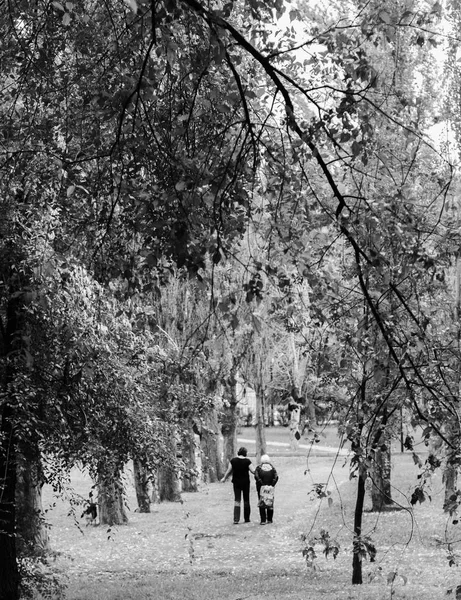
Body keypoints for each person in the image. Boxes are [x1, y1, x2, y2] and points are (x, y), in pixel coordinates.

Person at [220, 447, 255, 524]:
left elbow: (229, 471)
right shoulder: (247, 461)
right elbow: (253, 471)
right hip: (245, 483)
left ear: (238, 452)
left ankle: (236, 519)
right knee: (246, 500)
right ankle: (247, 518)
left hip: (236, 483)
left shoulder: (233, 461)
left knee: (237, 500)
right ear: (245, 453)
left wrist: (224, 478)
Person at [254, 454, 279, 525]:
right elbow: (276, 477)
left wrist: (261, 484)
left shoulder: (258, 468)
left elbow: (256, 476)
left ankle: (263, 520)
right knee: (270, 501)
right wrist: (272, 485)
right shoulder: (272, 468)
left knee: (262, 502)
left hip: (261, 488)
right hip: (270, 489)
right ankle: (270, 519)